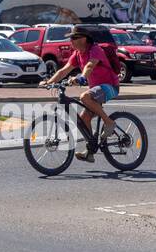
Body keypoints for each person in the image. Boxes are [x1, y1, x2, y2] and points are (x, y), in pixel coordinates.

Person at [42, 25, 118, 162]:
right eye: (70, 38)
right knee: (83, 120)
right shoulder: (77, 54)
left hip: (110, 86)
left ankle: (109, 122)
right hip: (96, 90)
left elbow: (90, 66)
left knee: (84, 96)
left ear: (83, 39)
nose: (71, 41)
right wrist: (49, 82)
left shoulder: (95, 50)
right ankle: (90, 151)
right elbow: (63, 71)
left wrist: (81, 78)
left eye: (73, 38)